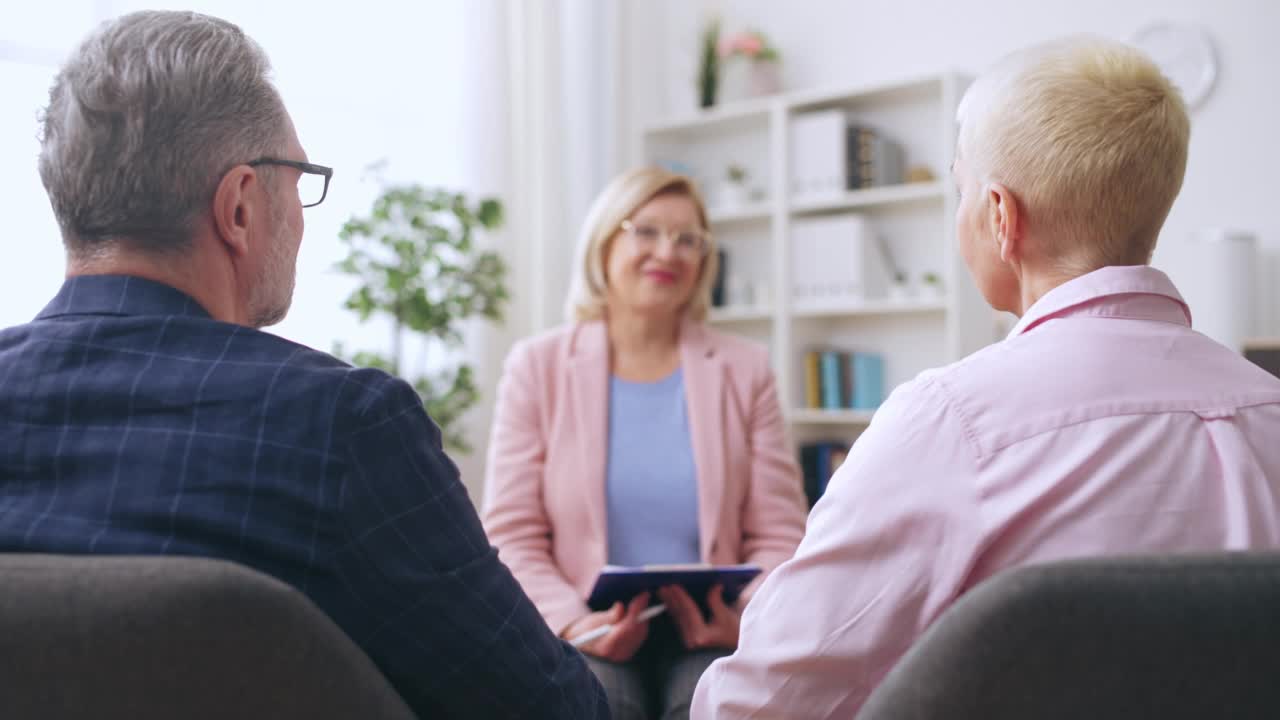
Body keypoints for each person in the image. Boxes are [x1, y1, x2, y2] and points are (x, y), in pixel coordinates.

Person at [0, 10, 606, 718]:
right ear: (239, 208)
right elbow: (547, 708)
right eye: (297, 177)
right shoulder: (339, 427)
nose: (304, 209)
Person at [692, 36, 1280, 718]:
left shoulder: (951, 424)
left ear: (1002, 217)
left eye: (961, 188)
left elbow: (759, 705)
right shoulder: (1270, 409)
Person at [483, 167, 807, 719]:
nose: (669, 252)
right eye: (647, 231)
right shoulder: (536, 367)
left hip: (710, 625)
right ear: (605, 243)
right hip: (589, 621)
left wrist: (745, 617)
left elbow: (778, 532)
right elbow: (512, 533)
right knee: (602, 705)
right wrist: (574, 621)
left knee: (710, 708)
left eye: (689, 240)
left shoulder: (744, 369)